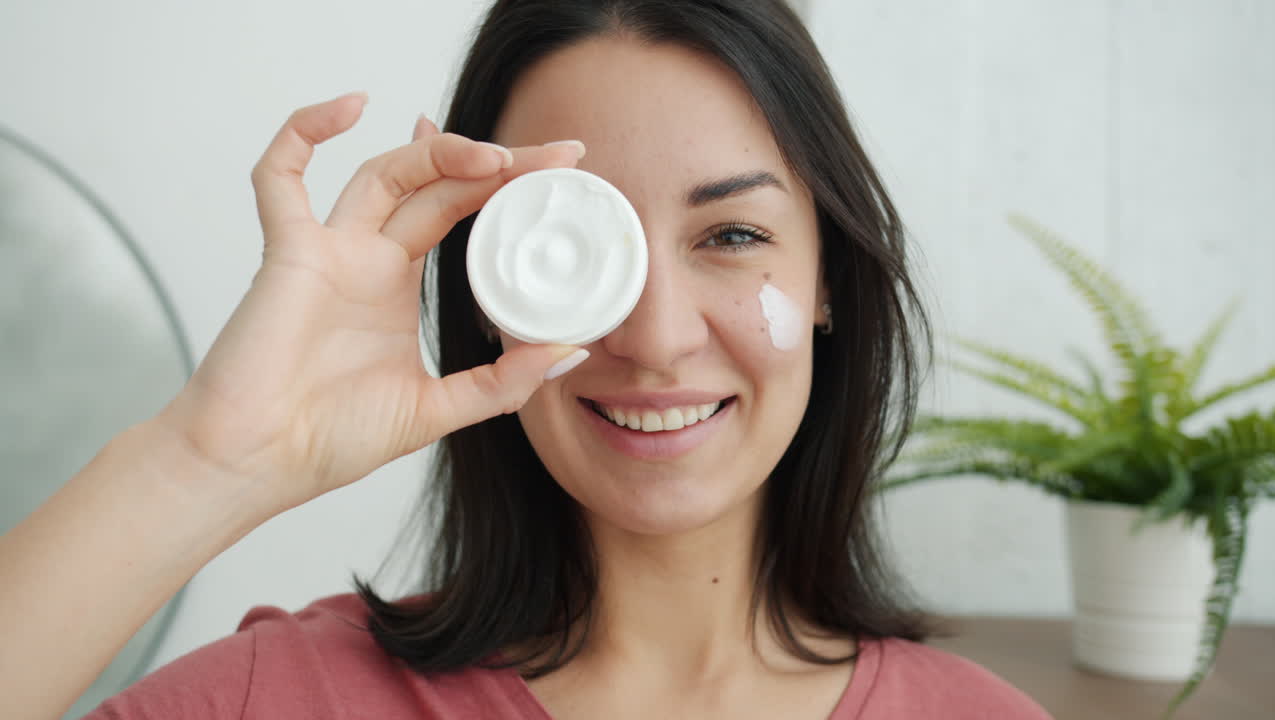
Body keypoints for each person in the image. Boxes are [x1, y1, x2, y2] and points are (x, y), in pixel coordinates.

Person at [0, 1, 1052, 718]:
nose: (652, 336)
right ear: (483, 288)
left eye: (730, 236)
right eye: (576, 250)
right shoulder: (285, 695)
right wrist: (211, 458)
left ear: (829, 276)